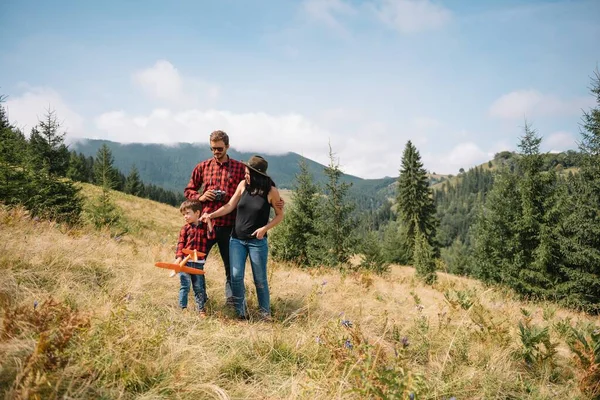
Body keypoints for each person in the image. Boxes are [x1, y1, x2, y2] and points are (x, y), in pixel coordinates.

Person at [184, 130, 284, 305]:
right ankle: (202, 299)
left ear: (227, 146)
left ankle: (233, 301)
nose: (216, 152)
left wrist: (276, 201)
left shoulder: (239, 168)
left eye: (219, 148)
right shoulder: (203, 167)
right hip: (205, 224)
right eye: (213, 148)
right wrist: (201, 197)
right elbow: (188, 190)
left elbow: (254, 186)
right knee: (196, 263)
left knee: (232, 270)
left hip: (231, 226)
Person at [202, 155, 284, 321]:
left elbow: (280, 216)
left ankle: (264, 313)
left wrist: (265, 228)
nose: (245, 175)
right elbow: (229, 206)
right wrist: (211, 215)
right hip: (237, 240)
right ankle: (240, 312)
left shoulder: (271, 191)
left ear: (257, 174)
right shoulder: (242, 185)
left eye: (248, 173)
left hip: (257, 243)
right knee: (236, 276)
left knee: (259, 279)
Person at [175, 199, 208, 317]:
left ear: (197, 213)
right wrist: (179, 257)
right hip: (185, 262)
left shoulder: (204, 227)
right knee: (184, 285)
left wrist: (209, 222)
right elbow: (180, 243)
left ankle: (201, 309)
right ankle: (182, 308)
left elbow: (212, 236)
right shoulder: (185, 228)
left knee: (198, 287)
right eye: (183, 214)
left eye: (188, 213)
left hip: (198, 262)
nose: (185, 216)